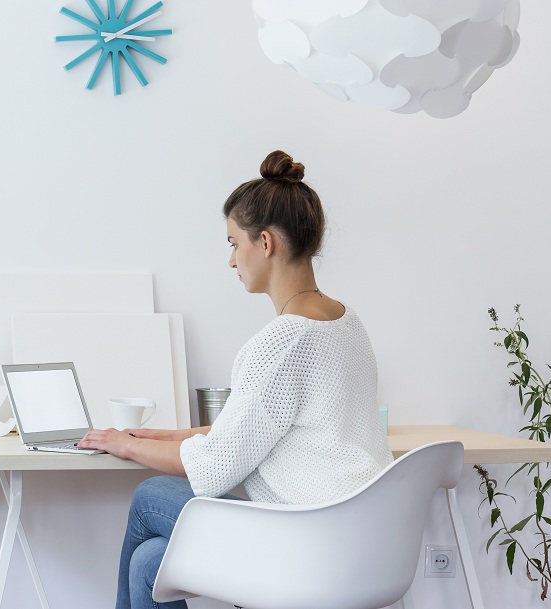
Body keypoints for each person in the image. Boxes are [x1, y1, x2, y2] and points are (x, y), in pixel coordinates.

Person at [77, 150, 393, 609]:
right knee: (151, 562)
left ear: (264, 243)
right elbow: (262, 431)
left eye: (232, 243)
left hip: (309, 540)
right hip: (364, 533)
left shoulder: (283, 341)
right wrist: (167, 434)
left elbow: (215, 469)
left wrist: (121, 443)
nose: (231, 261)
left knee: (149, 497)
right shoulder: (347, 323)